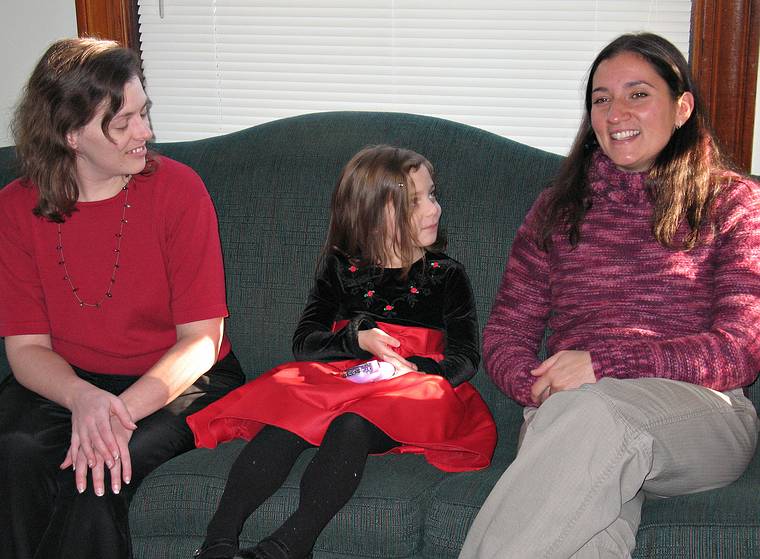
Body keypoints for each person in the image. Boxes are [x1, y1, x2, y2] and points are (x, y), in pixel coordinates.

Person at [459, 32, 760, 559]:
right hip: (571, 415)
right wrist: (541, 391)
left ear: (682, 107)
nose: (615, 111)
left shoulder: (734, 203)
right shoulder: (556, 209)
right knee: (588, 530)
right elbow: (507, 333)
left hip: (701, 418)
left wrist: (604, 365)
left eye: (638, 93)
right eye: (601, 98)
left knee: (597, 415)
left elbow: (740, 350)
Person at [187, 145, 497, 559]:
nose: (433, 209)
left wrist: (413, 367)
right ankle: (218, 542)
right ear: (370, 214)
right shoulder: (340, 268)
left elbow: (465, 359)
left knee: (352, 424)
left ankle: (288, 546)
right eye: (414, 201)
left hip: (412, 388)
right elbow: (306, 342)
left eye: (432, 194)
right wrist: (357, 339)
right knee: (285, 420)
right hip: (342, 379)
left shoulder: (446, 275)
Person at [0, 38, 245, 559]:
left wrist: (117, 415)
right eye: (123, 122)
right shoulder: (16, 208)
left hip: (177, 379)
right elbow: (25, 350)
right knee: (15, 454)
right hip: (67, 378)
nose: (146, 133)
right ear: (71, 135)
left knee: (103, 471)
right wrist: (82, 398)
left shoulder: (180, 190)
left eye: (144, 112)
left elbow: (202, 341)